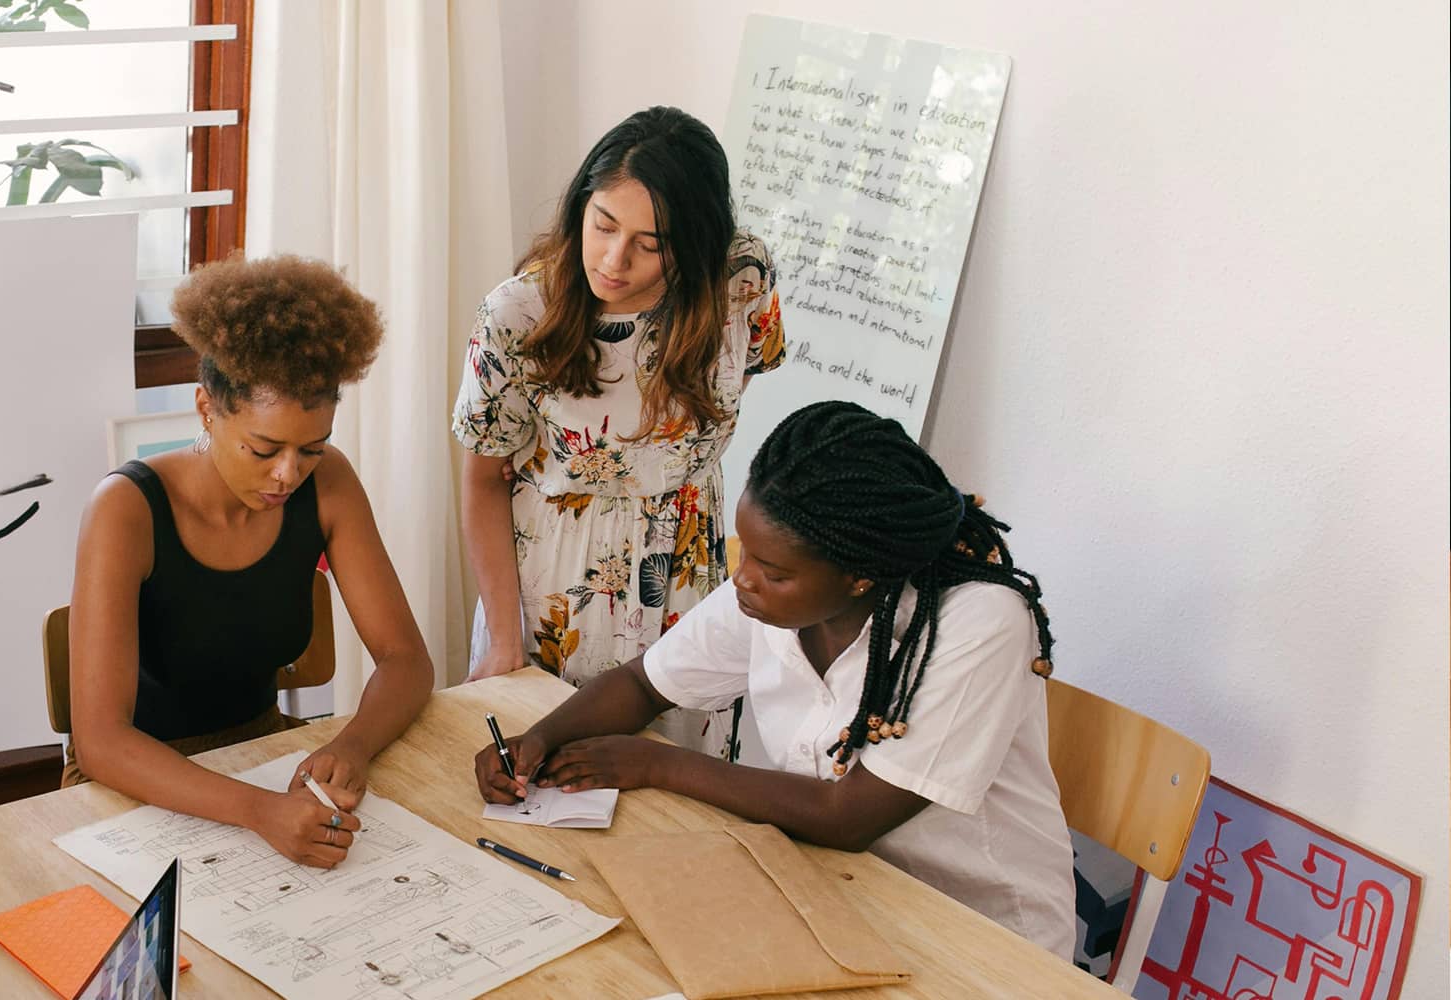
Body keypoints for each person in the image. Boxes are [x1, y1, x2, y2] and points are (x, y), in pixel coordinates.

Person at [473, 401, 1077, 959]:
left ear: (860, 576)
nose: (742, 578)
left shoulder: (979, 622)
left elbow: (848, 816)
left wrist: (656, 763)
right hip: (837, 892)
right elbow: (643, 684)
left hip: (980, 935)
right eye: (748, 555)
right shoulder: (770, 596)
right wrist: (539, 739)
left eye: (773, 571)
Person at [67, 255, 434, 869]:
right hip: (134, 783)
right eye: (264, 450)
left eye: (311, 449)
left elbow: (406, 660)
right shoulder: (126, 509)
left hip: (262, 756)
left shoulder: (329, 483)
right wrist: (260, 811)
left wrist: (353, 746)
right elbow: (101, 742)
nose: (288, 474)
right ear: (207, 409)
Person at [453, 106, 786, 756]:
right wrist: (504, 638)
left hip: (688, 572)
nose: (613, 259)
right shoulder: (518, 313)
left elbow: (734, 382)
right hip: (559, 584)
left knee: (679, 787)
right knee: (547, 777)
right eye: (603, 224)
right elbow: (481, 479)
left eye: (650, 243)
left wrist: (669, 460)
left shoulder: (741, 278)